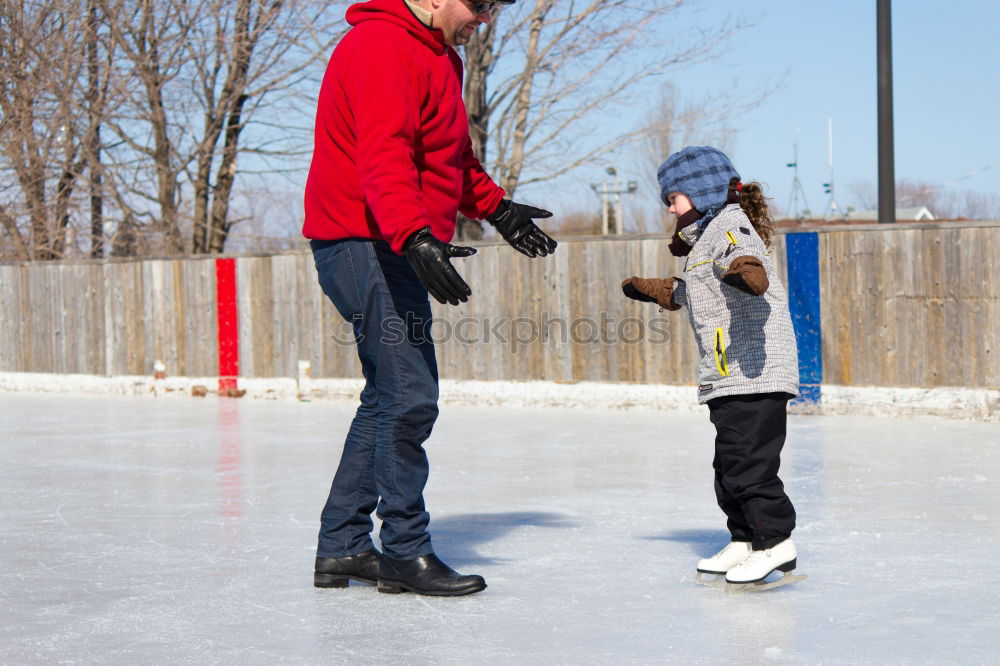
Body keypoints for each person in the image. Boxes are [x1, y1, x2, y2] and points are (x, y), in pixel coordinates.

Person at [302, 0, 556, 597]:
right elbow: (382, 153)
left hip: (386, 238)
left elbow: (451, 158)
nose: (485, 19)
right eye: (480, 4)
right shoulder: (380, 47)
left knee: (388, 397)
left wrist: (498, 208)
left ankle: (341, 546)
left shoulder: (441, 57)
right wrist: (413, 234)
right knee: (410, 395)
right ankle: (405, 551)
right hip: (360, 241)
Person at [621, 146, 801, 589]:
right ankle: (744, 539)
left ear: (700, 191)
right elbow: (699, 287)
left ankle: (775, 543)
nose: (670, 206)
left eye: (674, 196)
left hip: (756, 369)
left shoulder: (729, 227)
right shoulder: (703, 238)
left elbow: (742, 261)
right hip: (728, 371)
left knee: (751, 464)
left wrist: (746, 270)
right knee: (728, 464)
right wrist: (660, 290)